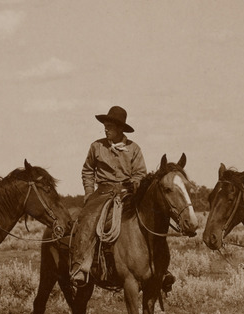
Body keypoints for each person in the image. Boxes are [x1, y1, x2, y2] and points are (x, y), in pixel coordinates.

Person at [69, 106, 176, 292]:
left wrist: (135, 183)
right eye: (105, 126)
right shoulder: (96, 147)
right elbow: (87, 170)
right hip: (102, 193)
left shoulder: (134, 149)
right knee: (87, 218)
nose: (105, 129)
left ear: (120, 128)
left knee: (149, 219)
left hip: (127, 192)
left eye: (109, 126)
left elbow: (140, 173)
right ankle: (80, 265)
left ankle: (160, 268)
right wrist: (88, 192)